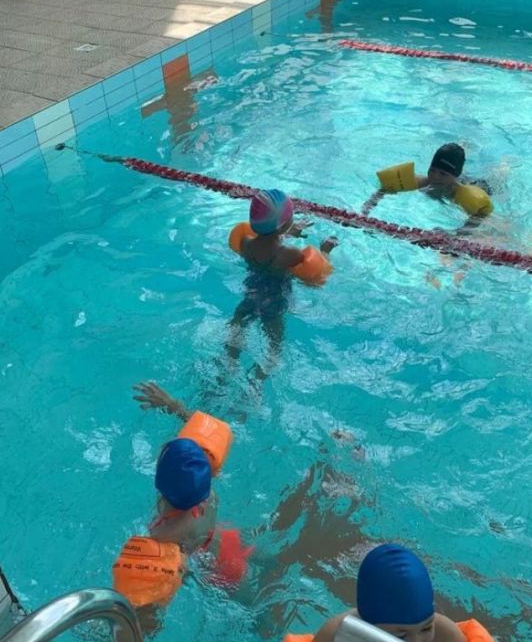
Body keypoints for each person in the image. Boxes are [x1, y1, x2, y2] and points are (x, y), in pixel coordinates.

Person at [112, 382, 252, 632]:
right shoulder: (206, 490)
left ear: (159, 483)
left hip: (219, 574)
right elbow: (208, 441)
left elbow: (151, 618)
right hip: (230, 540)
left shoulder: (163, 537)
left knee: (255, 617)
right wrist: (174, 406)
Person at [226, 189, 337, 382]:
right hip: (274, 304)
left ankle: (228, 366)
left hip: (249, 298)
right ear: (284, 224)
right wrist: (325, 251)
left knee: (236, 334)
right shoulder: (290, 254)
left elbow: (267, 243)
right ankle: (256, 383)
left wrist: (286, 232)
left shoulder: (246, 243)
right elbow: (317, 273)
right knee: (274, 347)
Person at [308, 544, 484, 642]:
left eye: (426, 628)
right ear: (368, 624)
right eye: (401, 635)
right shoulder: (334, 635)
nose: (417, 641)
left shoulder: (446, 636)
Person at [362, 143, 494, 227]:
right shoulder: (422, 182)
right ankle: (462, 145)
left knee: (494, 176)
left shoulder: (465, 196)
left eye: (442, 174)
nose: (435, 177)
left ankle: (502, 167)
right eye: (432, 170)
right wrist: (366, 210)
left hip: (477, 185)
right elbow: (384, 189)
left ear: (455, 176)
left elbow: (482, 214)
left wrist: (463, 231)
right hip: (456, 178)